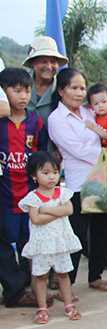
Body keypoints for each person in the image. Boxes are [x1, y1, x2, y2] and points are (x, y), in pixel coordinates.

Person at [47, 68, 107, 292]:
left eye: (82, 88)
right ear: (61, 90)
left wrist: (104, 147)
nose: (79, 93)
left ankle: (95, 276)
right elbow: (76, 149)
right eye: (74, 88)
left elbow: (102, 136)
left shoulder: (88, 112)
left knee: (101, 231)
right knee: (76, 235)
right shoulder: (56, 119)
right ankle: (68, 282)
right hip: (77, 184)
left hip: (100, 179)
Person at [19, 152, 82, 324]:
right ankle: (42, 308)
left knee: (63, 274)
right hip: (42, 245)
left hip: (60, 243)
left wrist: (46, 210)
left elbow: (69, 210)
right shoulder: (32, 198)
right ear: (34, 176)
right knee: (41, 277)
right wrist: (57, 213)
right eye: (45, 173)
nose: (51, 177)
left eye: (55, 172)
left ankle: (68, 305)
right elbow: (36, 219)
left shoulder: (62, 193)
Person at [0, 68, 47, 266]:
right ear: (3, 91)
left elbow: (42, 154)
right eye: (17, 91)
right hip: (5, 195)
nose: (23, 96)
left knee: (29, 242)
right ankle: (15, 288)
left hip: (30, 195)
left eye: (27, 91)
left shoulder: (36, 121)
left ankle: (31, 285)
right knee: (6, 241)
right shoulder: (1, 123)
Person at [24, 36, 68, 121]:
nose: (49, 67)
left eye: (53, 62)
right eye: (43, 61)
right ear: (33, 63)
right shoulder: (19, 83)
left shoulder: (64, 87)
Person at [85, 83, 107, 159]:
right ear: (91, 106)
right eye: (96, 104)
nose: (100, 106)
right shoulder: (93, 117)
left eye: (104, 102)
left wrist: (95, 129)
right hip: (101, 153)